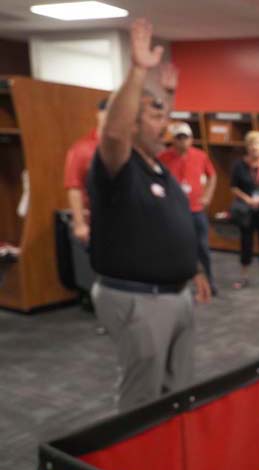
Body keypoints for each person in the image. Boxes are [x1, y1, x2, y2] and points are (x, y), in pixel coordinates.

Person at [88, 18, 211, 410]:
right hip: (138, 299)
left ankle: (168, 465)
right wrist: (139, 71)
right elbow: (115, 134)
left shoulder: (158, 165)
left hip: (175, 293)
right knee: (142, 399)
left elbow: (168, 225)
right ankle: (131, 469)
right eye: (157, 117)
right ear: (132, 125)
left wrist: (193, 266)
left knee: (177, 393)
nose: (168, 125)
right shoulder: (117, 169)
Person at [158, 121, 218, 294]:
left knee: (203, 247)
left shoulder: (200, 155)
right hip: (173, 212)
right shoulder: (163, 157)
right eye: (179, 138)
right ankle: (176, 283)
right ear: (174, 140)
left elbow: (212, 176)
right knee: (174, 248)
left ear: (191, 139)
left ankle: (209, 280)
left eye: (186, 138)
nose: (183, 141)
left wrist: (207, 195)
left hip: (196, 210)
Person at [230, 131, 259, 289]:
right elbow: (233, 187)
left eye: (258, 145)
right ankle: (244, 277)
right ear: (247, 147)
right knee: (246, 243)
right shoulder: (239, 165)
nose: (255, 148)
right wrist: (248, 199)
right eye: (252, 144)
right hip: (246, 210)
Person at [64, 98, 107, 246]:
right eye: (106, 112)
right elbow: (74, 188)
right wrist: (80, 224)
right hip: (96, 220)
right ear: (99, 114)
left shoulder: (128, 146)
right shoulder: (82, 148)